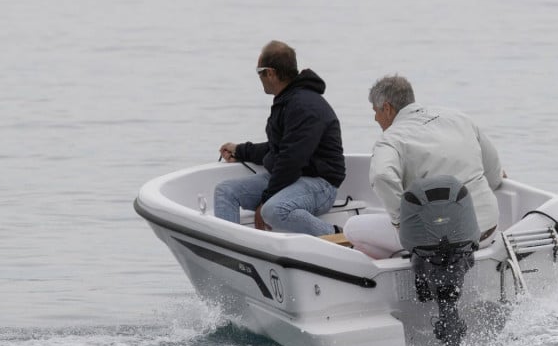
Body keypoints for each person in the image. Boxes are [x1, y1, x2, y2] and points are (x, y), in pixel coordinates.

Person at [344, 74, 505, 259]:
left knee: (351, 228)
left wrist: (401, 223)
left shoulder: (391, 139)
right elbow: (493, 174)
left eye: (375, 111)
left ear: (387, 108)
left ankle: (399, 268)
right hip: (487, 231)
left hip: (438, 241)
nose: (375, 118)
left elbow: (381, 176)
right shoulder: (459, 117)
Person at [214, 41, 346, 236]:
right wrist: (240, 151)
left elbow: (291, 159)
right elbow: (279, 148)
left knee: (272, 210)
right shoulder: (288, 100)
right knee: (225, 191)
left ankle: (338, 236)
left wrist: (265, 200)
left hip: (320, 184)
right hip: (292, 178)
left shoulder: (305, 106)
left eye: (259, 72)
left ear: (271, 73)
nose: (259, 78)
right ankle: (233, 249)